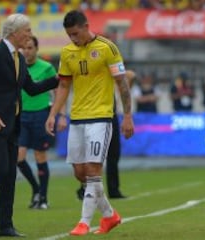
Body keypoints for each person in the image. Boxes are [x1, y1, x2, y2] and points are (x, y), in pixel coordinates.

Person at [45, 10, 134, 236]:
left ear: (86, 26)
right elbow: (64, 86)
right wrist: (54, 114)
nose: (73, 39)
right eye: (69, 35)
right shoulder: (67, 53)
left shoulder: (108, 48)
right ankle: (109, 215)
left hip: (101, 117)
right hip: (77, 117)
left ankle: (84, 222)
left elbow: (122, 84)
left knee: (94, 170)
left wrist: (127, 116)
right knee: (80, 172)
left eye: (75, 33)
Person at [0, 13, 58, 238]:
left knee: (10, 174)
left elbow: (32, 88)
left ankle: (5, 225)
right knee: (0, 169)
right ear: (14, 32)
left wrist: (61, 78)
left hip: (12, 124)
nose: (30, 35)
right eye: (27, 30)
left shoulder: (18, 58)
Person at [17, 36, 67, 210]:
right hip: (21, 116)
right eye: (24, 48)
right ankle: (36, 189)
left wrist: (61, 115)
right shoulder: (18, 67)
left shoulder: (46, 68)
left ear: (36, 49)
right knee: (19, 157)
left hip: (40, 115)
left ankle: (43, 197)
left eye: (30, 48)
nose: (27, 51)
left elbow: (59, 91)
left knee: (40, 155)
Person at [76, 70, 136, 200]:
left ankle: (113, 190)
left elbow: (130, 75)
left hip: (110, 114)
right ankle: (85, 187)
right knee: (94, 155)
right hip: (94, 115)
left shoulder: (110, 70)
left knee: (113, 154)